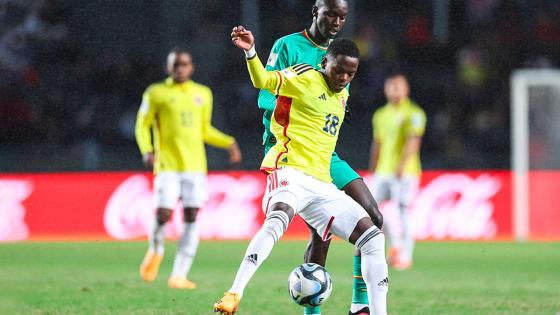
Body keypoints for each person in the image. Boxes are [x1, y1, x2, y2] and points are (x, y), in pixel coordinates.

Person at [213, 26, 388, 315]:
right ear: (324, 64)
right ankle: (234, 293)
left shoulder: (342, 95)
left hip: (322, 182)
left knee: (373, 237)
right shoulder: (305, 76)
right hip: (289, 172)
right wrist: (250, 51)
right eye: (339, 71)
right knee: (277, 221)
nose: (344, 79)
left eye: (351, 74)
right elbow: (264, 81)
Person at [258, 1, 382, 314]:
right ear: (316, 11)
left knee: (374, 218)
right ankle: (312, 311)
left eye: (343, 16)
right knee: (321, 232)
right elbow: (265, 95)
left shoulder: (344, 56)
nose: (337, 20)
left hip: (326, 153)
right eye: (331, 14)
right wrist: (303, 108)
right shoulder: (287, 46)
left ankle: (359, 304)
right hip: (290, 149)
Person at [135, 48, 242, 289]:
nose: (180, 68)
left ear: (191, 67)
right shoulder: (156, 93)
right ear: (168, 68)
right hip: (167, 166)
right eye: (175, 65)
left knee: (192, 216)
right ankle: (155, 249)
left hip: (195, 167)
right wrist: (147, 150)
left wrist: (228, 142)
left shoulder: (203, 93)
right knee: (163, 214)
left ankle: (179, 274)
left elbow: (204, 129)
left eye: (184, 64)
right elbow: (142, 125)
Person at [368, 73, 426, 270]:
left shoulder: (414, 113)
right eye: (390, 86)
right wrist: (373, 168)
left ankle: (405, 256)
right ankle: (394, 249)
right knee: (371, 211)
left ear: (406, 89)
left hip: (406, 172)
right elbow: (377, 143)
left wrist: (401, 165)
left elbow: (414, 141)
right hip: (383, 171)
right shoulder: (381, 114)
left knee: (402, 212)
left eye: (397, 86)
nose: (394, 90)